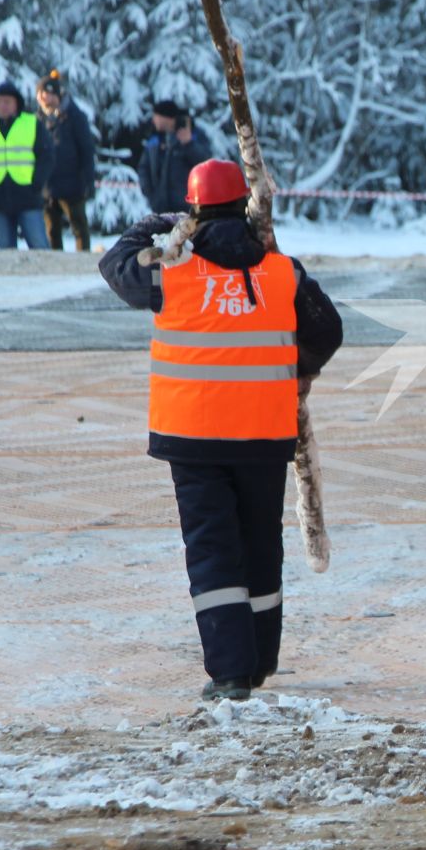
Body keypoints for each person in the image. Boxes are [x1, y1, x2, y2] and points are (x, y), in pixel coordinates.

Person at [99, 160, 343, 701]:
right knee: (260, 545)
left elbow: (113, 264)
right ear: (245, 208)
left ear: (195, 213)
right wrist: (294, 371)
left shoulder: (171, 271)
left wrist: (150, 226)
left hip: (194, 437)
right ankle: (258, 662)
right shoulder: (284, 272)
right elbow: (328, 330)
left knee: (213, 549)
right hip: (263, 434)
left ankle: (230, 673)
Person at [0, 81, 50, 250]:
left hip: (27, 195)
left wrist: (37, 183)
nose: (2, 106)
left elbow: (46, 156)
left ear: (16, 104)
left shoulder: (32, 124)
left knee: (40, 247)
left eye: (7, 102)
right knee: (6, 251)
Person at [35, 70, 97, 251]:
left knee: (79, 228)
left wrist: (88, 180)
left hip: (73, 185)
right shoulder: (38, 120)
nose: (45, 99)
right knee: (51, 231)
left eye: (48, 94)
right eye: (41, 95)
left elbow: (87, 150)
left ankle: (83, 261)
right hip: (47, 186)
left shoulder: (75, 117)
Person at [137, 100, 214, 214]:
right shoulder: (155, 140)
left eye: (156, 116)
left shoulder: (195, 135)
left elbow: (205, 163)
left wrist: (189, 144)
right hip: (162, 209)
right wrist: (151, 195)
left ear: (165, 118)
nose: (154, 120)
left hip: (191, 209)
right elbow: (143, 168)